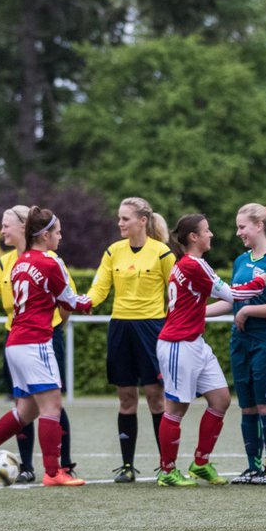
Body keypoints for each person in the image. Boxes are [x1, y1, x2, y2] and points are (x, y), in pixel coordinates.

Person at [0, 207, 92, 486]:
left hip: (15, 342)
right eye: (57, 232)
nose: (60, 236)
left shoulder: (19, 263)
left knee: (26, 411)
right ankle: (52, 472)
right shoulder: (49, 262)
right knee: (51, 407)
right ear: (44, 235)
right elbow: (69, 301)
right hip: (36, 342)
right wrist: (89, 302)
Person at [155, 215, 266, 487]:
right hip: (177, 344)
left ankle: (200, 463)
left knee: (220, 399)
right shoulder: (194, 264)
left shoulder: (189, 265)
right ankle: (167, 470)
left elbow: (214, 299)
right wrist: (260, 282)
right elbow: (231, 295)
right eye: (207, 230)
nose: (212, 234)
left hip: (194, 341)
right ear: (193, 237)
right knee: (176, 407)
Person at [86, 197, 175, 483]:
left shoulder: (162, 253)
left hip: (151, 329)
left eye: (125, 218)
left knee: (155, 398)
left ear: (142, 221)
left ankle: (167, 466)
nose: (120, 223)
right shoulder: (113, 252)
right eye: (119, 218)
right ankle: (127, 466)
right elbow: (99, 290)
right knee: (126, 398)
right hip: (120, 328)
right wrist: (80, 302)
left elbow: (176, 293)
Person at [206, 204, 266, 485]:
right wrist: (198, 310)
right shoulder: (242, 261)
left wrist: (247, 311)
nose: (238, 232)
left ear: (258, 226)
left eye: (242, 226)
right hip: (240, 340)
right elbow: (232, 298)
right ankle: (253, 468)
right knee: (247, 406)